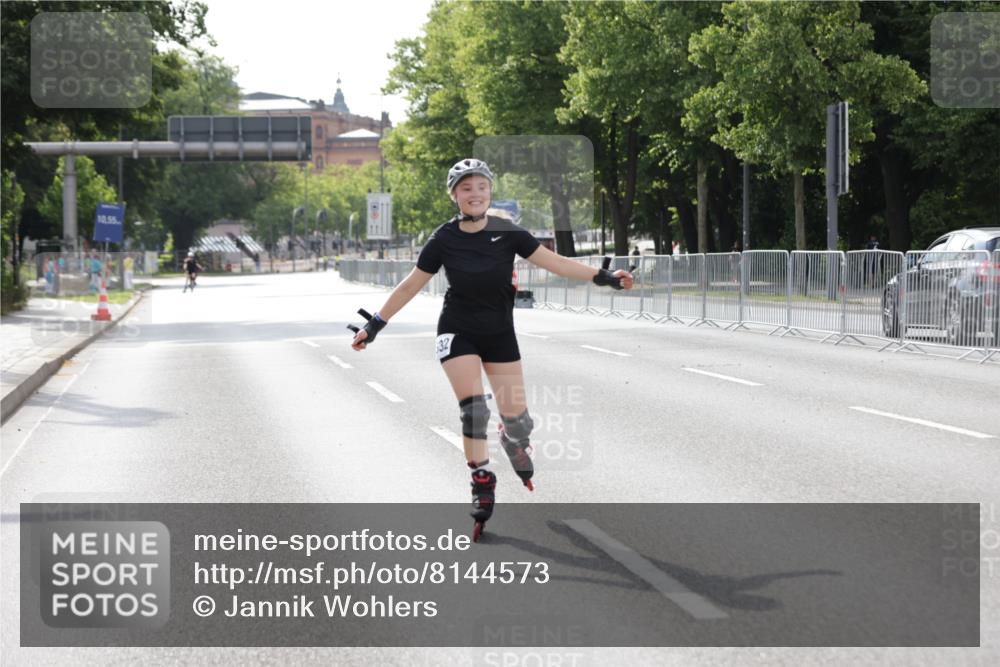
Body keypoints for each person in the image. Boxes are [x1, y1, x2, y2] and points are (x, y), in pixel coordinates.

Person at [349, 158, 635, 540]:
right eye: (466, 188)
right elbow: (410, 285)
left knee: (518, 420)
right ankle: (481, 481)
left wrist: (606, 277)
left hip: (500, 334)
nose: (475, 194)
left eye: (481, 187)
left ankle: (513, 439)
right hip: (457, 331)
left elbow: (558, 264)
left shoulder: (509, 232)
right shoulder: (443, 239)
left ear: (490, 192)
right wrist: (375, 324)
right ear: (454, 195)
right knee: (473, 409)